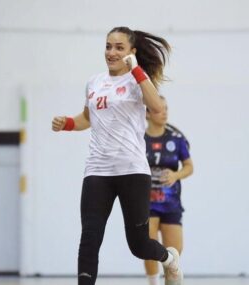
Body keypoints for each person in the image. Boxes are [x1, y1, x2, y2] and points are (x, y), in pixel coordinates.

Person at [52, 26, 183, 285]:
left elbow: (156, 107)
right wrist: (67, 122)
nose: (111, 52)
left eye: (119, 47)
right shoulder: (94, 82)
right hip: (97, 171)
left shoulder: (138, 79)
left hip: (132, 171)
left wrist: (136, 70)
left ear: (131, 52)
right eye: (108, 46)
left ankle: (169, 259)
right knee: (90, 237)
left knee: (139, 245)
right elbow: (87, 118)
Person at [143, 97, 193, 285]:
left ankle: (170, 280)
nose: (164, 112)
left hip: (171, 204)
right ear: (147, 113)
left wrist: (176, 175)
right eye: (159, 109)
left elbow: (189, 166)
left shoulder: (176, 139)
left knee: (174, 251)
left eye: (166, 108)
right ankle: (153, 282)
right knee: (148, 247)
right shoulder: (138, 138)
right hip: (146, 204)